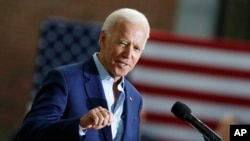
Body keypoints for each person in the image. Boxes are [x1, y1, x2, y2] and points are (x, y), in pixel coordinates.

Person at [15, 8, 150, 141]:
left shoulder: (135, 98)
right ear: (103, 39)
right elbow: (29, 133)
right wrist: (80, 124)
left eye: (136, 48)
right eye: (123, 43)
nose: (128, 54)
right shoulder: (65, 79)